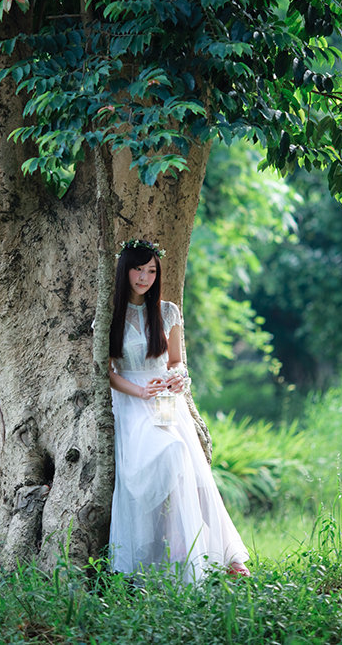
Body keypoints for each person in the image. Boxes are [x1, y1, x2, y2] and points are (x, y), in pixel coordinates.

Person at [108, 238, 250, 582]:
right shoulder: (110, 313)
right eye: (138, 269)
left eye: (151, 270)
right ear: (124, 269)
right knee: (157, 461)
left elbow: (176, 362)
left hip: (165, 403)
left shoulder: (167, 312)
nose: (144, 277)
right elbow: (108, 372)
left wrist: (176, 380)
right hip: (130, 400)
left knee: (187, 467)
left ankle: (204, 553)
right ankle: (149, 557)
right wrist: (140, 390)